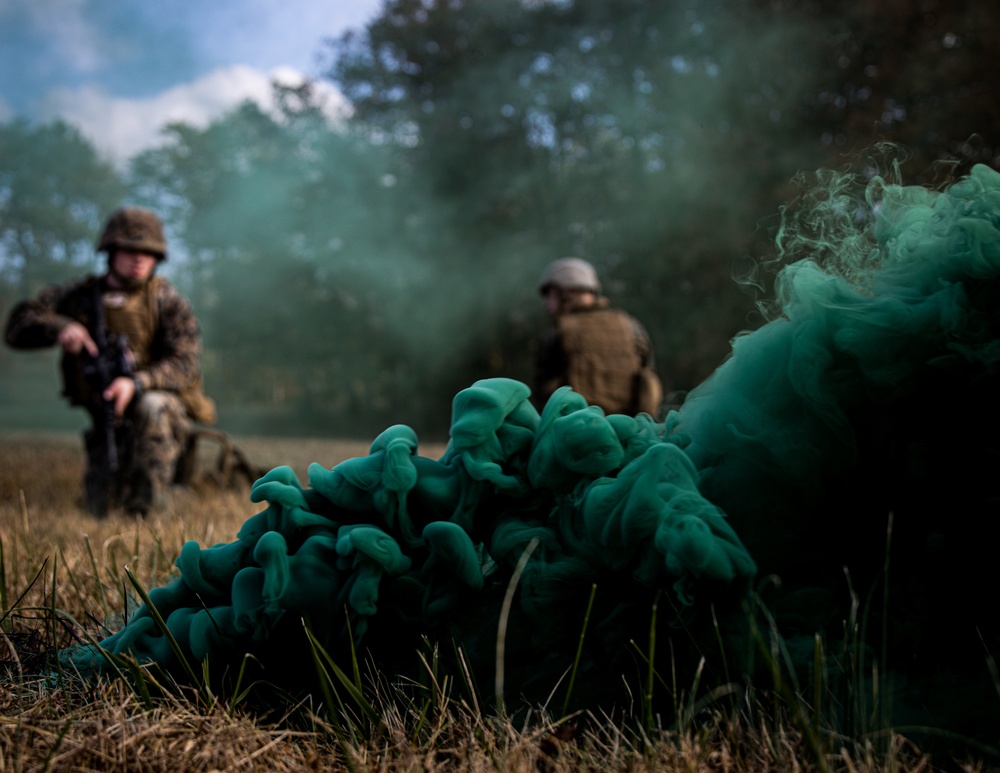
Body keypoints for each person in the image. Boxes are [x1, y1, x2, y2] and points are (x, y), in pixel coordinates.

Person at [4, 207, 216, 516]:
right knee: (101, 507)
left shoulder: (166, 300)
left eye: (149, 251)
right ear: (111, 251)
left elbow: (185, 364)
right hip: (106, 413)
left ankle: (152, 508)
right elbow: (17, 327)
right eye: (130, 249)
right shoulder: (80, 296)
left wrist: (135, 383)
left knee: (152, 406)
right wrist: (61, 326)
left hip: (162, 412)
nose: (139, 258)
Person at [534, 257, 663, 416]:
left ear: (568, 294)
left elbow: (543, 392)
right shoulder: (631, 326)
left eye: (550, 295)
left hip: (577, 428)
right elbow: (647, 373)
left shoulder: (558, 332)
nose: (547, 303)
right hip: (630, 429)